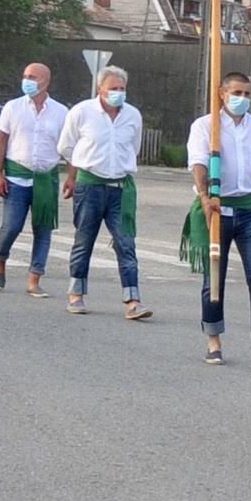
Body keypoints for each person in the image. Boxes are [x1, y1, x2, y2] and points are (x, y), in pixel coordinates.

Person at [187, 72, 251, 365]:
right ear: (222, 93)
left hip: (250, 209)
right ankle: (213, 340)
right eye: (236, 93)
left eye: (246, 94)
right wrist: (206, 197)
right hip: (217, 207)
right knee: (214, 277)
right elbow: (198, 163)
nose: (242, 99)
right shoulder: (206, 126)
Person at [59, 65, 150, 320]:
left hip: (120, 188)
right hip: (90, 186)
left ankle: (133, 300)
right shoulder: (82, 112)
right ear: (100, 88)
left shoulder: (132, 115)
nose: (118, 93)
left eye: (122, 89)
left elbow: (134, 147)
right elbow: (66, 145)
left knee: (126, 243)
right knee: (84, 240)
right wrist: (76, 172)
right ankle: (76, 294)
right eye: (113, 89)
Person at [0, 61, 68, 297]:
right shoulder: (12, 107)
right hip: (16, 176)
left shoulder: (61, 112)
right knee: (11, 226)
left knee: (43, 230)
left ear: (46, 81)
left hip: (45, 178)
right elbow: (1, 141)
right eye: (25, 75)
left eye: (33, 76)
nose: (27, 80)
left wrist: (72, 176)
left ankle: (34, 278)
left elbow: (70, 146)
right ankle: (0, 258)